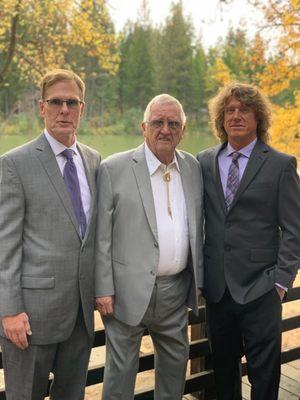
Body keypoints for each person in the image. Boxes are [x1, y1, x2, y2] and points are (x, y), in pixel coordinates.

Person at [0, 69, 101, 400]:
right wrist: (9, 309)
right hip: (31, 317)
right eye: (56, 102)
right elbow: (6, 244)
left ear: (82, 108)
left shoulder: (93, 160)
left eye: (72, 102)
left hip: (80, 317)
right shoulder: (15, 164)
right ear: (41, 108)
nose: (64, 110)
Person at [95, 94, 203, 400]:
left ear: (183, 129)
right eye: (158, 122)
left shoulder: (193, 168)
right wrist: (103, 287)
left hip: (175, 291)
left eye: (173, 123)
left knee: (175, 366)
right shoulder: (113, 168)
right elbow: (101, 236)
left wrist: (199, 282)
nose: (165, 129)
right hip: (125, 292)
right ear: (144, 127)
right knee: (120, 373)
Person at [197, 82, 300, 400]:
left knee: (264, 372)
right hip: (217, 290)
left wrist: (280, 283)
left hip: (261, 287)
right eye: (229, 110)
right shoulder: (203, 161)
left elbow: (295, 231)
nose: (236, 115)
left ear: (259, 118)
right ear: (220, 118)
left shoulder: (280, 165)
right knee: (224, 372)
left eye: (244, 110)